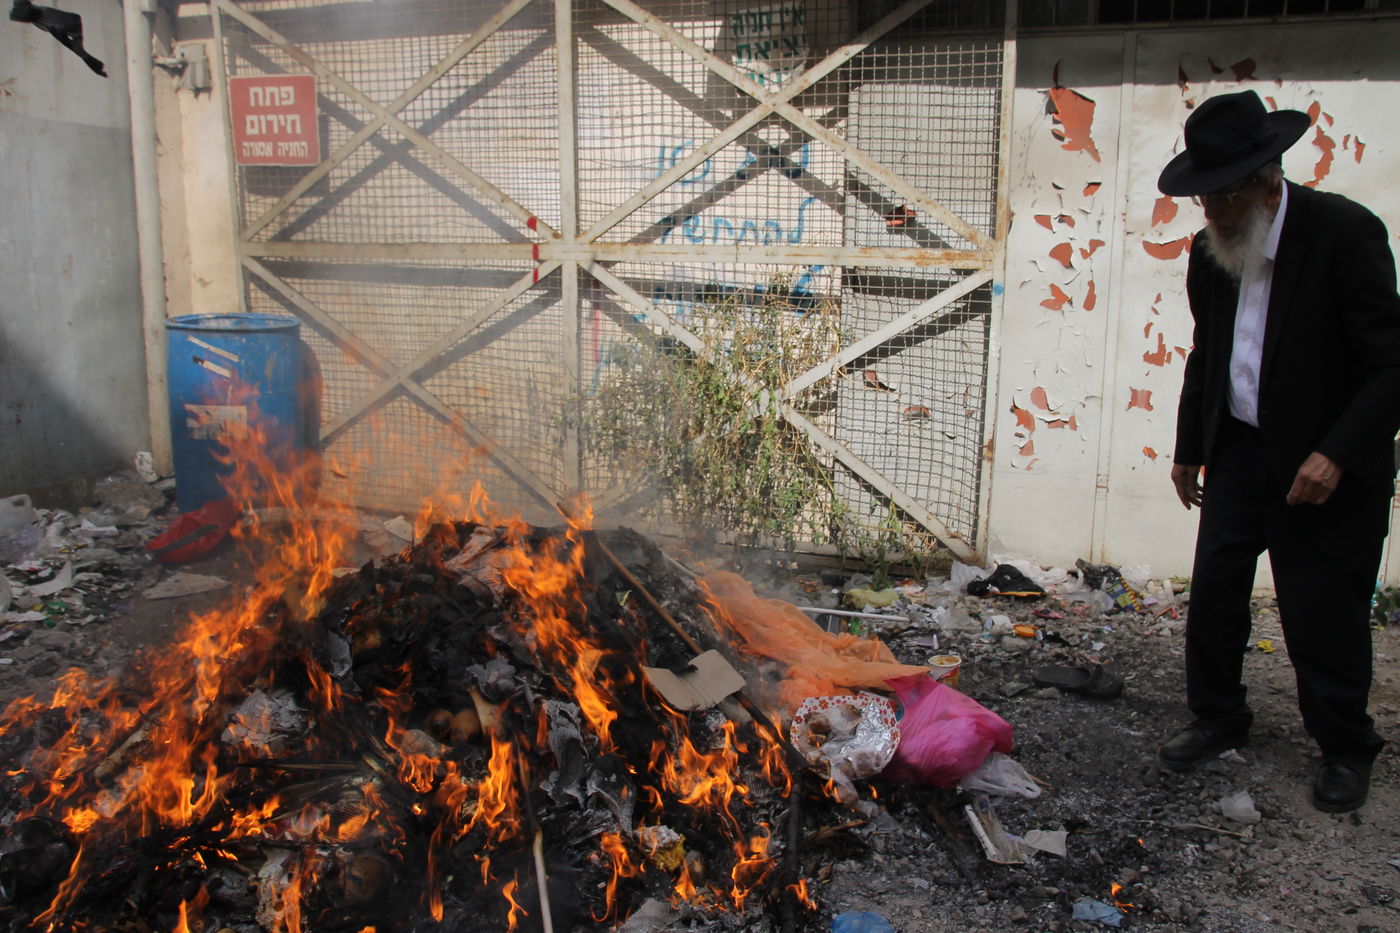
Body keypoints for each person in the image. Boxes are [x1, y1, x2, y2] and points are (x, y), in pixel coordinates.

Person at [1156, 89, 1400, 813]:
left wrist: (1338, 453)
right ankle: (1219, 715)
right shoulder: (1212, 255)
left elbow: (1391, 363)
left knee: (1322, 611)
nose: (1214, 216)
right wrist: (1189, 446)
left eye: (1225, 200)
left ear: (1268, 182)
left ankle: (1346, 746)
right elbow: (1209, 351)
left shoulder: (1343, 235)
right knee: (1217, 593)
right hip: (1240, 452)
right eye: (1204, 202)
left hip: (1324, 466)